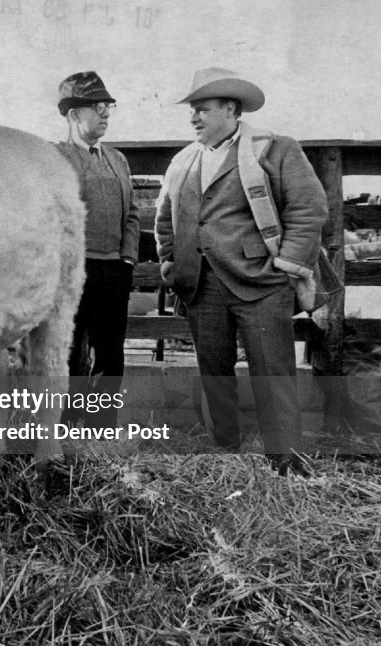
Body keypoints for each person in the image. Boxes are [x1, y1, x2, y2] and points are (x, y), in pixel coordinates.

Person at [155, 67, 328, 476]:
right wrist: (170, 262)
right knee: (213, 370)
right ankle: (223, 451)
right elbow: (166, 220)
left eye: (202, 110)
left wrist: (286, 265)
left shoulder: (274, 149)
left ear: (230, 109)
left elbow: (309, 208)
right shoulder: (184, 160)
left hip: (262, 281)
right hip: (201, 284)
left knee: (273, 370)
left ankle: (286, 460)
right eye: (192, 111)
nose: (194, 118)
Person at [56, 71, 140, 428]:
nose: (105, 114)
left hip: (113, 270)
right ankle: (63, 427)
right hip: (74, 271)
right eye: (96, 107)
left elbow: (132, 213)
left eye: (108, 107)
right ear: (74, 114)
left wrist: (127, 257)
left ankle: (100, 428)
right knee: (69, 350)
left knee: (110, 351)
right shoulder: (57, 158)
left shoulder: (117, 159)